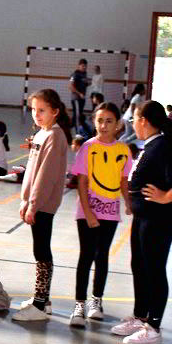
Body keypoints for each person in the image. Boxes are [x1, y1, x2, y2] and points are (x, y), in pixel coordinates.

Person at [111, 101, 172, 344]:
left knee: (154, 270)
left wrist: (166, 197)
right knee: (139, 265)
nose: (133, 124)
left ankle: (154, 327)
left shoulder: (163, 145)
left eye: (134, 120)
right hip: (143, 216)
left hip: (159, 218)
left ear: (144, 121)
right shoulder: (150, 145)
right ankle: (141, 317)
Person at [68, 102, 133, 327]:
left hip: (110, 212)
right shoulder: (88, 147)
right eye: (99, 121)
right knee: (86, 256)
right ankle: (79, 305)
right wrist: (88, 213)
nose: (103, 126)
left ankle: (96, 301)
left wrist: (128, 203)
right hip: (87, 211)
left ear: (118, 124)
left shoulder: (123, 151)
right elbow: (82, 182)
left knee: (102, 256)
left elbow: (124, 181)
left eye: (109, 121)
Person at [12, 88, 71, 322]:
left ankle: (39, 303)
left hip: (44, 204)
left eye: (42, 110)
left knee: (42, 250)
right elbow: (31, 173)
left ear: (55, 112)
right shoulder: (41, 134)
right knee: (40, 249)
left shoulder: (55, 136)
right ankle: (43, 300)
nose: (36, 115)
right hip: (35, 202)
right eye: (34, 110)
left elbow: (45, 176)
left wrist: (33, 204)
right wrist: (25, 200)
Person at [69, 59, 89, 130]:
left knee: (77, 115)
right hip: (76, 98)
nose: (84, 67)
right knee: (77, 115)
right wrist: (79, 93)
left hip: (82, 98)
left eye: (85, 66)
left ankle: (68, 128)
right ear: (79, 66)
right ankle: (78, 132)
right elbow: (71, 86)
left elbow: (84, 84)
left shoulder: (85, 74)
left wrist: (88, 83)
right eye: (83, 66)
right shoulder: (75, 74)